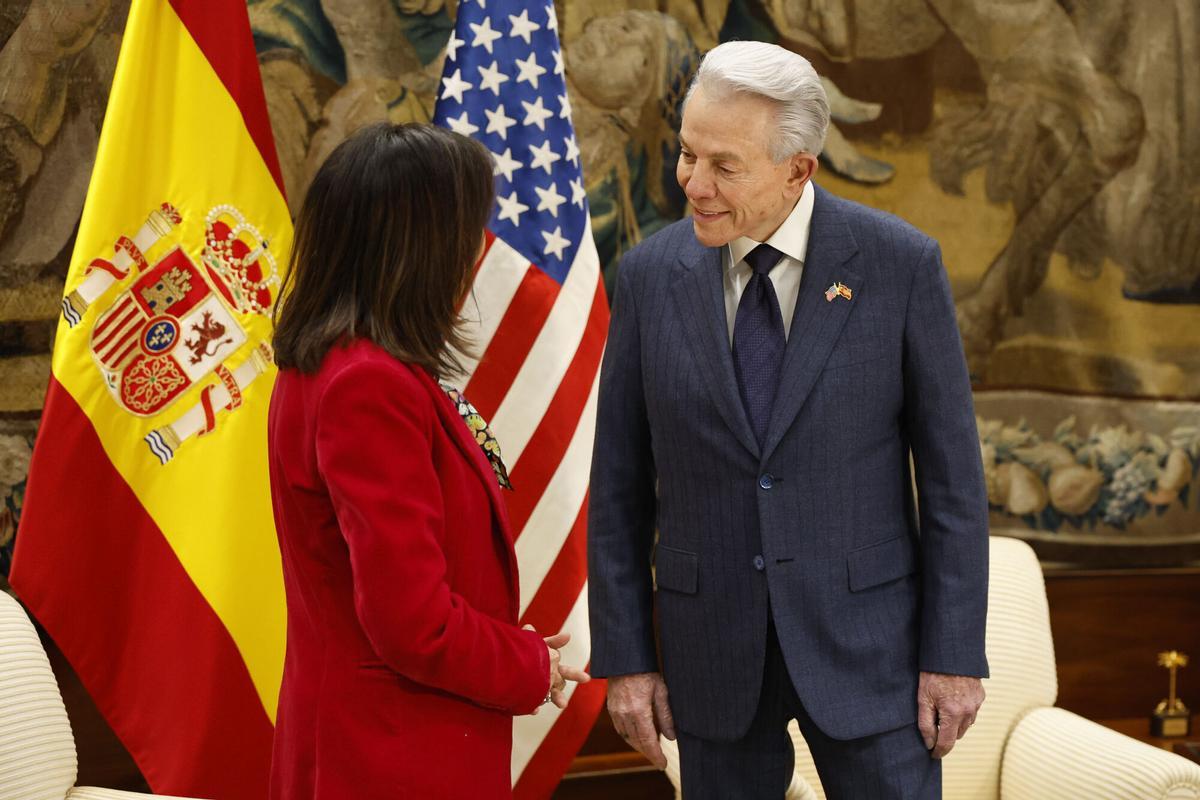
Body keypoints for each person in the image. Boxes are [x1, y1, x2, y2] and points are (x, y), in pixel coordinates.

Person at [588, 41, 988, 799]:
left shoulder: (899, 266)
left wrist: (954, 656)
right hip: (710, 657)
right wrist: (628, 660)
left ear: (798, 168)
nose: (693, 185)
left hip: (871, 656)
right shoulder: (646, 277)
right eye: (686, 155)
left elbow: (953, 488)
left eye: (724, 166)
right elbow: (617, 491)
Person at [267, 122, 588, 799]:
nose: (477, 246)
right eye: (469, 225)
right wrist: (528, 663)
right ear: (420, 244)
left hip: (389, 740)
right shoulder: (367, 384)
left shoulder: (338, 363)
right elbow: (411, 622)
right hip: (390, 755)